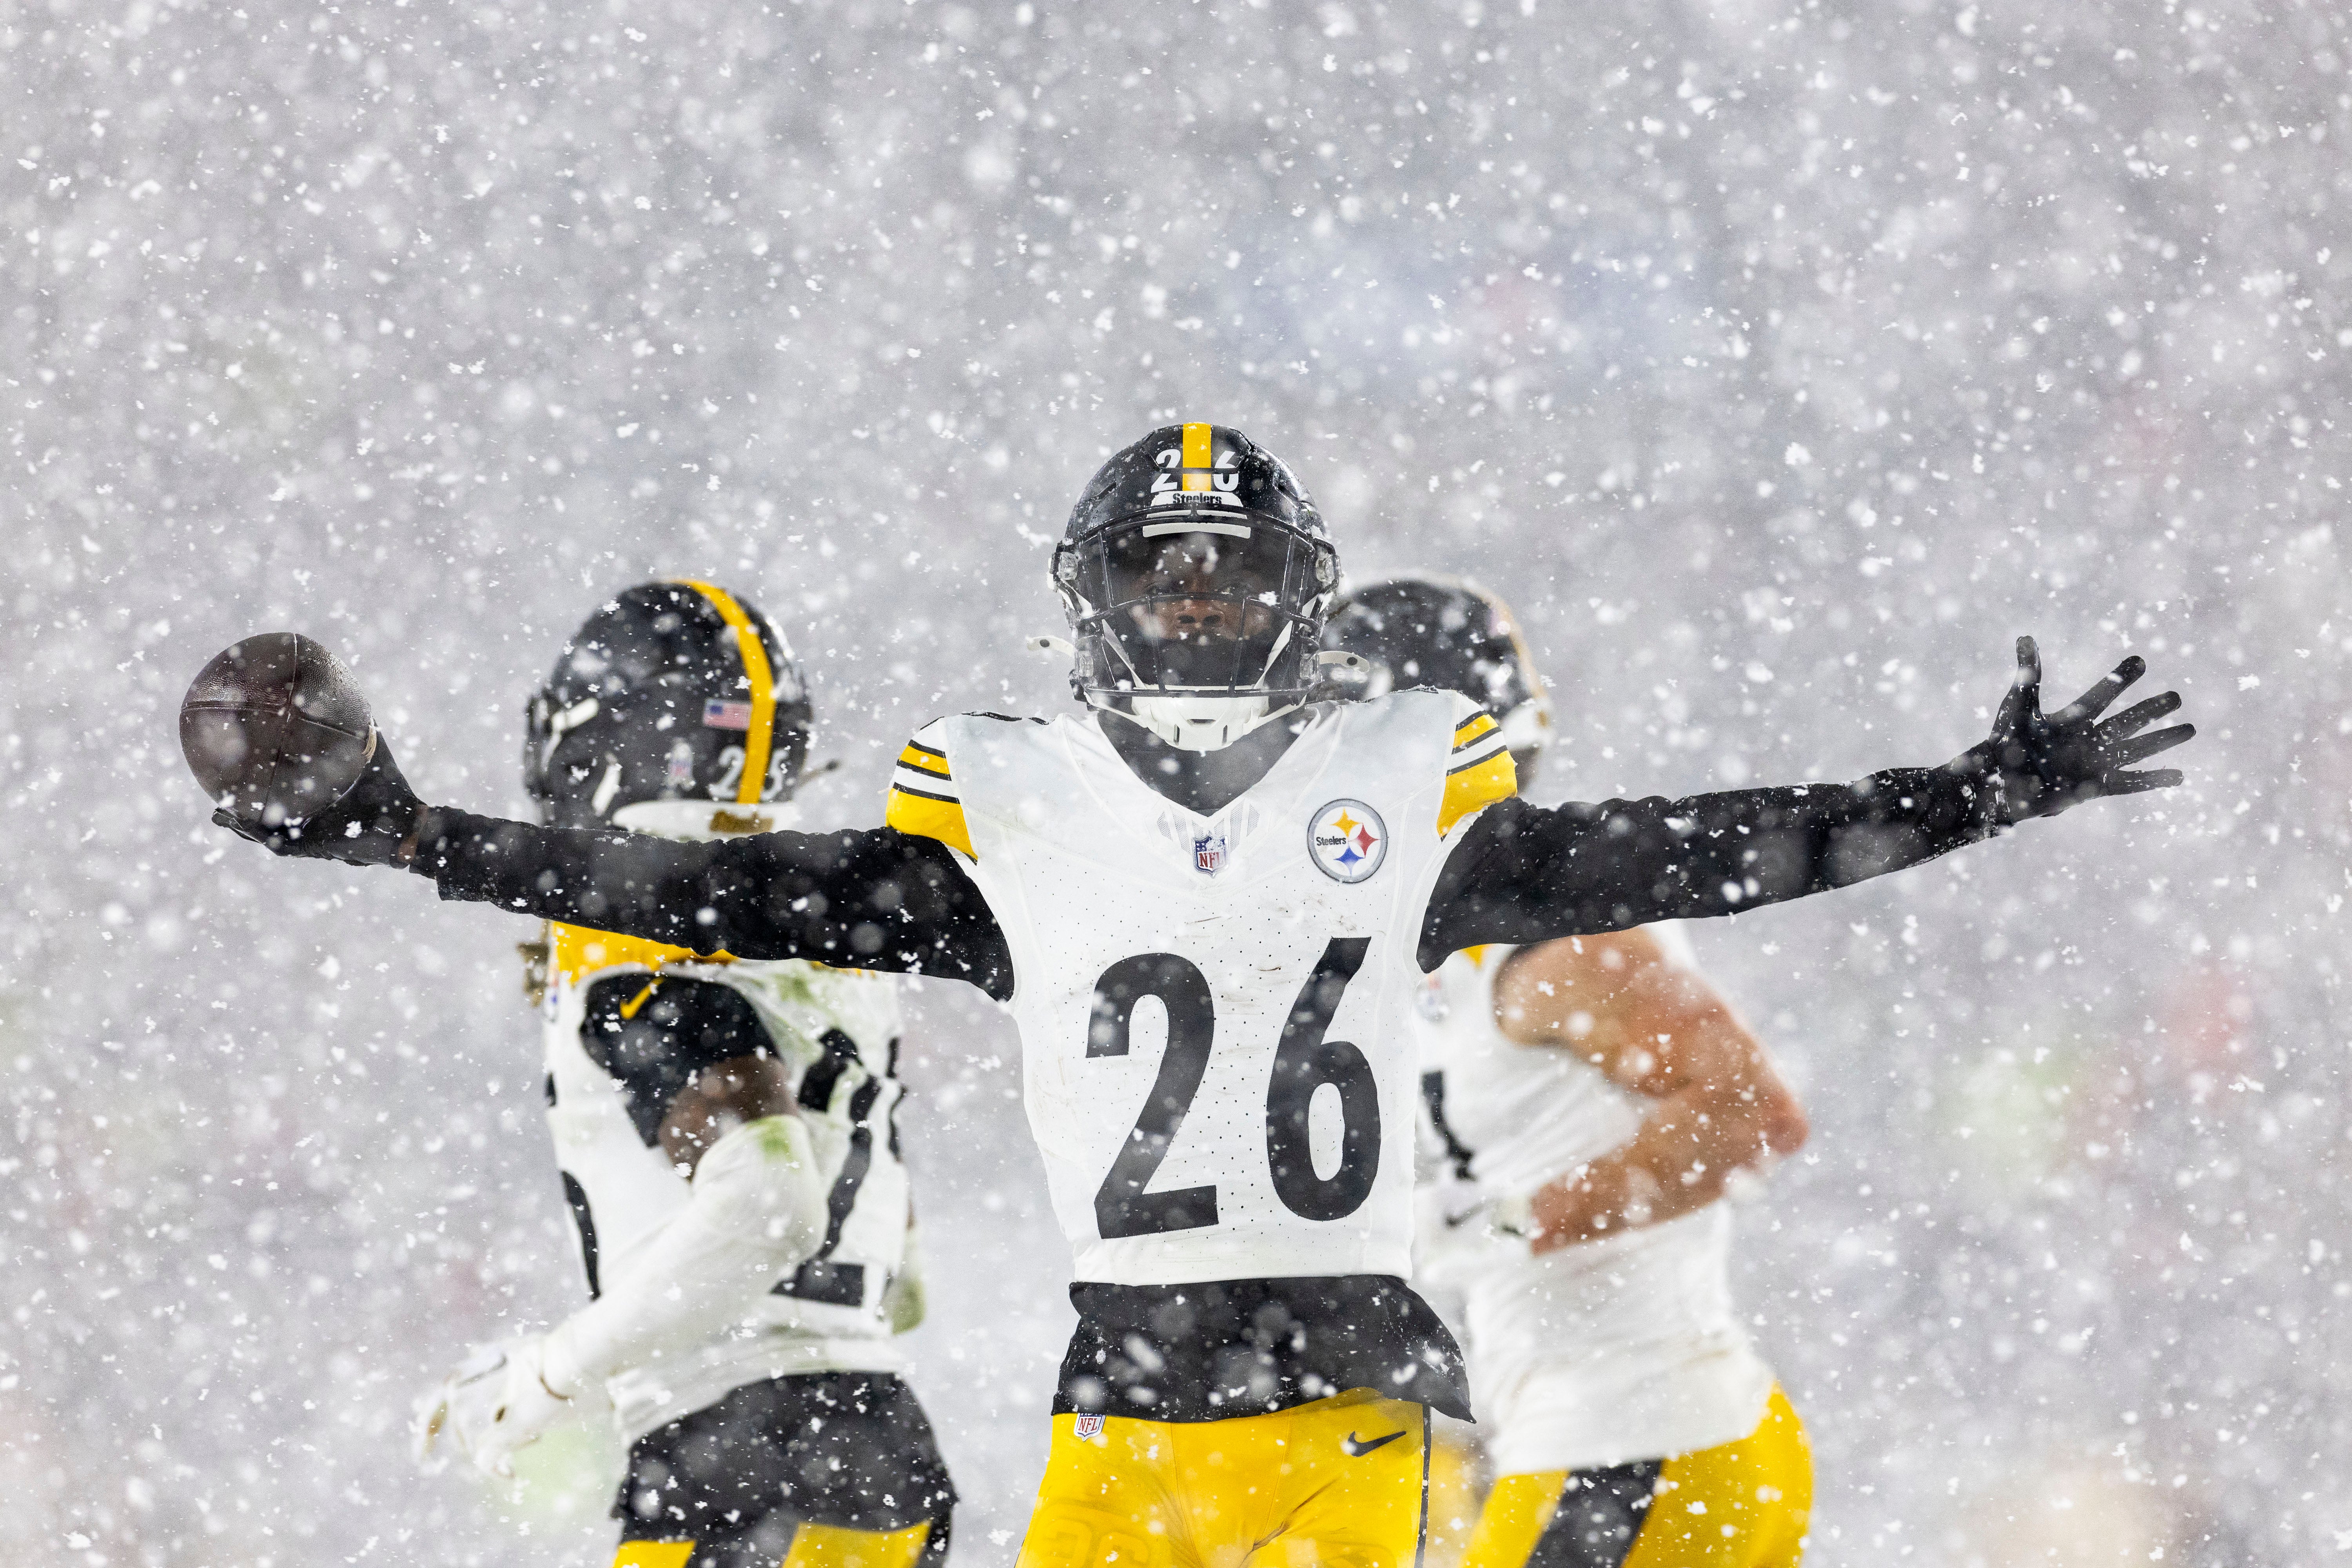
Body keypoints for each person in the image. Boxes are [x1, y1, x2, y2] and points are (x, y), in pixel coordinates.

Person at [210, 422, 2193, 1568]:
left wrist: (1973, 788)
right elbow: (709, 886)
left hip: (1338, 1385)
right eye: (1161, 588)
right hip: (1118, 1399)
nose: (1191, 618)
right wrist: (412, 833)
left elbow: (1697, 845)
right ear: (1094, 607)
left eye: (1219, 585)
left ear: (1293, 606)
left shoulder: (1394, 810)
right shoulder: (1017, 834)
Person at [413, 581, 954, 1568]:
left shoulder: (640, 944)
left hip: (739, 1461)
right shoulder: (827, 938)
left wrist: (553, 1374)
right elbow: (901, 1286)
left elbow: (772, 1207)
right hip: (883, 1452)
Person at [1327, 575, 1812, 1568]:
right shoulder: (1444, 961)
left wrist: (1528, 1217)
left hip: (1640, 1440)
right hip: (1608, 1441)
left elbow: (1751, 1112)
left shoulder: (1553, 949)